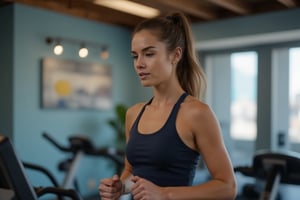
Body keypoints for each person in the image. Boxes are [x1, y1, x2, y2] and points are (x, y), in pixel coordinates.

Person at [99, 12, 237, 200]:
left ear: (175, 55)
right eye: (135, 56)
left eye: (149, 54)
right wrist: (120, 187)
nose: (139, 63)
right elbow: (132, 171)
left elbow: (227, 187)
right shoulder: (134, 113)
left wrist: (164, 194)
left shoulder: (196, 113)